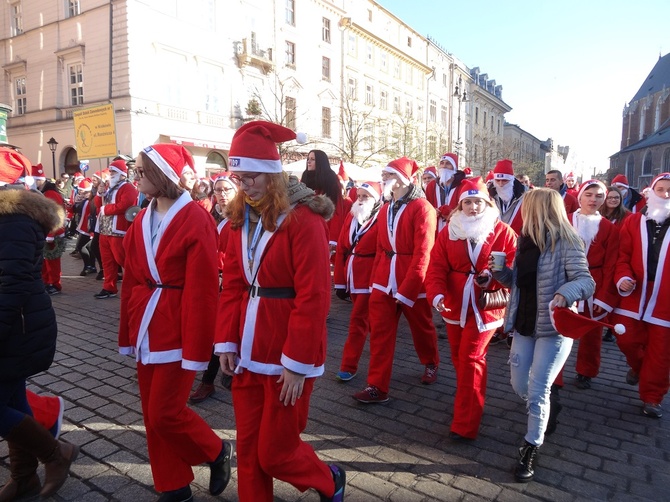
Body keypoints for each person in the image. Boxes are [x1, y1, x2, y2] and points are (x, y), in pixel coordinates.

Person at [214, 121, 345, 502]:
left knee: (276, 451)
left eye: (251, 176)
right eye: (239, 177)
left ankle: (328, 479)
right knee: (250, 451)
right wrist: (225, 341)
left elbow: (315, 296)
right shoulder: (239, 219)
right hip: (248, 349)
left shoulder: (305, 220)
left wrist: (296, 363)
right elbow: (234, 285)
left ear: (272, 173)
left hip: (287, 352)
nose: (245, 185)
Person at [118, 143, 232, 502]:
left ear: (161, 174)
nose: (135, 177)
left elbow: (202, 291)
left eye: (141, 171)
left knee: (165, 412)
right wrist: (128, 329)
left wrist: (199, 346)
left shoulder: (196, 218)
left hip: (178, 326)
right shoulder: (141, 219)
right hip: (146, 322)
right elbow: (133, 279)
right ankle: (173, 484)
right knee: (151, 415)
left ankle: (215, 450)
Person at [491, 188, 595, 483]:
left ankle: (531, 446)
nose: (522, 212)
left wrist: (565, 292)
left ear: (539, 209)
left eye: (527, 207)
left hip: (553, 328)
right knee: (518, 383)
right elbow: (518, 283)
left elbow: (586, 281)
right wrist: (498, 275)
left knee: (537, 392)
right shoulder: (524, 241)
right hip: (524, 324)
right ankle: (548, 404)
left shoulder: (568, 241)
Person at [0, 147, 79, 500]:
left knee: (7, 402)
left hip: (15, 325)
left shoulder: (13, 218)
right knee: (14, 397)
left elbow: (12, 283)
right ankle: (24, 477)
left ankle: (55, 454)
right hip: (16, 322)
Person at [425, 177, 517, 441]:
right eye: (467, 202)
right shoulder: (449, 231)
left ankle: (465, 424)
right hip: (454, 304)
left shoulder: (503, 232)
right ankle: (473, 401)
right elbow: (437, 267)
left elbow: (513, 267)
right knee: (459, 358)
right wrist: (437, 294)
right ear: (460, 205)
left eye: (478, 202)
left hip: (485, 306)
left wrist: (494, 279)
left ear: (487, 203)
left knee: (471, 358)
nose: (473, 207)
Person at [353, 157, 440, 403]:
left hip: (411, 278)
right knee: (379, 333)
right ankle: (376, 386)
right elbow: (381, 246)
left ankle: (431, 361)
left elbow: (424, 251)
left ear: (404, 179)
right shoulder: (386, 207)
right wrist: (375, 280)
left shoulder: (423, 208)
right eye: (384, 175)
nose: (385, 179)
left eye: (389, 175)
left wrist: (410, 287)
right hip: (384, 281)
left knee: (421, 328)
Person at [611, 172, 670, 419]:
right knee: (626, 339)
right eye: (661, 190)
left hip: (666, 298)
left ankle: (652, 397)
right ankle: (638, 368)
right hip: (634, 294)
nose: (666, 195)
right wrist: (623, 277)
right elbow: (622, 255)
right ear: (651, 191)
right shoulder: (634, 222)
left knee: (661, 352)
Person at [189, 173, 238, 404]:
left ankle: (210, 381)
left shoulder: (239, 220)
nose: (221, 195)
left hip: (231, 285)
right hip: (215, 281)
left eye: (226, 190)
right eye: (217, 190)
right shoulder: (218, 217)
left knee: (221, 333)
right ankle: (209, 379)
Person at [566, 180, 619, 390]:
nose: (593, 200)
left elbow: (612, 264)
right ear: (580, 196)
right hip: (566, 279)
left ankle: (586, 371)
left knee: (592, 332)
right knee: (557, 328)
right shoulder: (565, 221)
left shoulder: (608, 228)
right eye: (589, 194)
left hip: (595, 282)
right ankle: (555, 374)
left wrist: (605, 298)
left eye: (598, 196)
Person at [333, 181, 383, 382]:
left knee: (358, 321)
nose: (360, 200)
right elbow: (342, 249)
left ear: (376, 199)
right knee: (362, 321)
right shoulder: (351, 216)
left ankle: (348, 364)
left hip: (373, 278)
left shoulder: (383, 218)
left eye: (366, 196)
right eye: (359, 196)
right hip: (353, 276)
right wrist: (340, 282)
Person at [488, 160, 526, 346]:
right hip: (494, 246)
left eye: (505, 181)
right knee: (496, 286)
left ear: (512, 180)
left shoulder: (526, 197)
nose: (501, 185)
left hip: (519, 247)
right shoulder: (488, 196)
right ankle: (498, 327)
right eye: (498, 181)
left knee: (515, 288)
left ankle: (512, 329)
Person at [95, 160, 138, 299]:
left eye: (113, 172)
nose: (111, 174)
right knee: (107, 261)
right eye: (111, 171)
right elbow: (97, 205)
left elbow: (125, 205)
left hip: (117, 230)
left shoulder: (128, 187)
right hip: (104, 230)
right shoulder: (108, 187)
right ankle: (109, 287)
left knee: (123, 259)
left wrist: (105, 209)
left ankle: (136, 282)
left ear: (121, 174)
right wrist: (99, 194)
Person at [301, 149, 352, 256]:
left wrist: (332, 238)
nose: (308, 162)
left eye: (312, 159)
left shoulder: (330, 178)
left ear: (320, 161)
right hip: (305, 225)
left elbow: (336, 208)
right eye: (308, 159)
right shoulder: (305, 176)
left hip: (323, 224)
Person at [31, 165, 67, 295]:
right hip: (45, 232)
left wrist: (51, 233)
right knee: (45, 260)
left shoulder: (51, 194)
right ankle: (46, 281)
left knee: (52, 261)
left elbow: (56, 215)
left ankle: (55, 284)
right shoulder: (43, 193)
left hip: (53, 232)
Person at [424, 152, 467, 233]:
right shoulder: (431, 186)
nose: (444, 166)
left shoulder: (462, 185)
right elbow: (427, 206)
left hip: (457, 228)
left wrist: (454, 212)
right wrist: (433, 210)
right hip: (436, 228)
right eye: (442, 163)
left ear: (454, 167)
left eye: (448, 163)